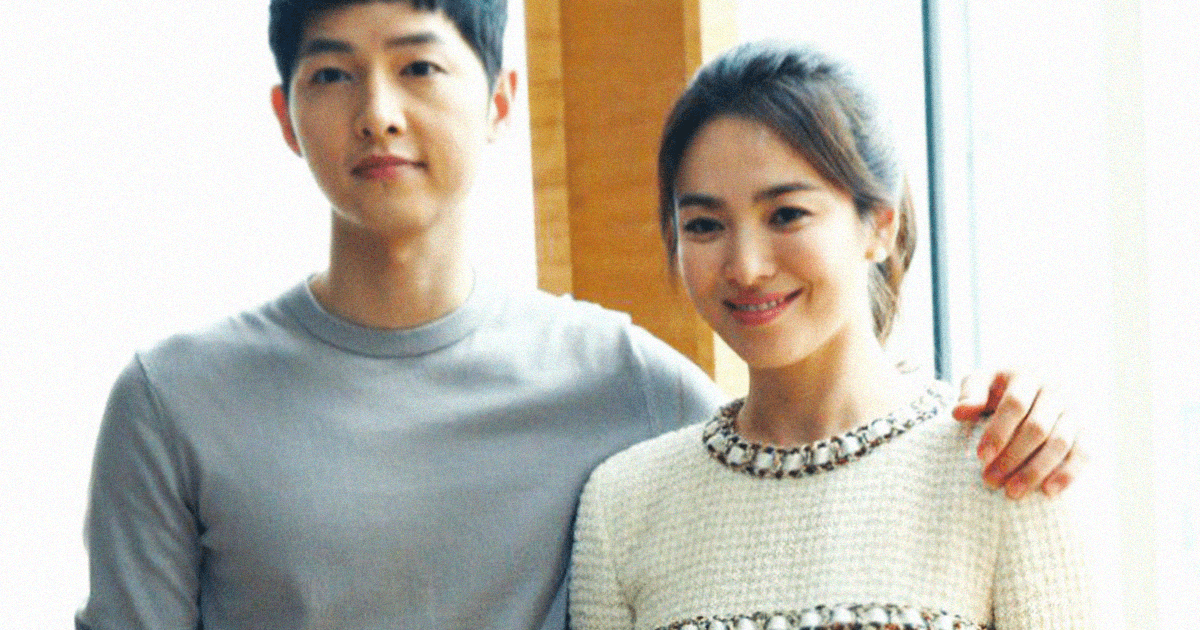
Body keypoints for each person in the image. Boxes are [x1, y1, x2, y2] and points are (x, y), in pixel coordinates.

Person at [76, 2, 1082, 629]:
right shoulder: (174, 403)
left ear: (500, 99)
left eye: (419, 64)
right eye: (332, 71)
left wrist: (1023, 413)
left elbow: (827, 439)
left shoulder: (625, 385)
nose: (377, 111)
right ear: (284, 112)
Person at [569, 42, 1093, 630]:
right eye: (705, 225)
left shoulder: (1005, 462)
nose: (746, 267)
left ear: (881, 226)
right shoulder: (624, 504)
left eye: (787, 214)